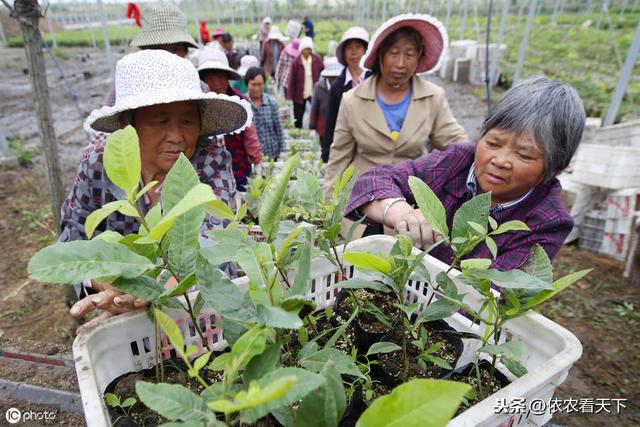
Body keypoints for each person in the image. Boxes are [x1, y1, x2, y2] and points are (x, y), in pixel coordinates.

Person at [65, 50, 251, 316]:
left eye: (187, 121)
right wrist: (103, 280)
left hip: (194, 310)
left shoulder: (210, 160)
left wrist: (152, 290)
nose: (176, 136)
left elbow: (215, 244)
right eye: (160, 121)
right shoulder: (98, 164)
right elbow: (74, 236)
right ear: (126, 124)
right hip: (115, 307)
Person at [345, 76, 586, 271]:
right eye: (493, 143)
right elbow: (375, 180)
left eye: (524, 155)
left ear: (556, 167)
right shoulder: (458, 161)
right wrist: (399, 211)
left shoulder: (547, 221)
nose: (500, 161)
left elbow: (493, 295)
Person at [324, 14, 468, 231]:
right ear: (380, 56)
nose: (401, 63)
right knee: (362, 259)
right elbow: (339, 157)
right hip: (365, 202)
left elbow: (457, 145)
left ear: (419, 58)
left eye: (409, 54)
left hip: (412, 203)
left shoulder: (433, 97)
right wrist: (328, 207)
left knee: (408, 258)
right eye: (394, 53)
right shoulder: (352, 100)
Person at [198, 47, 263, 191]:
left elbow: (250, 136)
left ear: (227, 78)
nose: (216, 83)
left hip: (238, 169)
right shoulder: (196, 104)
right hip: (205, 174)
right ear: (203, 79)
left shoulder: (240, 102)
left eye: (221, 77)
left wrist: (257, 162)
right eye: (210, 78)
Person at [324, 26, 370, 163]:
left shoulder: (376, 80)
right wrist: (327, 153)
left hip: (373, 148)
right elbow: (331, 122)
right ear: (343, 53)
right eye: (349, 48)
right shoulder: (337, 87)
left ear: (365, 51)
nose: (354, 53)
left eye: (358, 47)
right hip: (348, 150)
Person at [246, 67, 285, 160]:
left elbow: (278, 129)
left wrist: (282, 151)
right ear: (247, 84)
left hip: (272, 154)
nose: (257, 88)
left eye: (260, 84)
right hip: (251, 157)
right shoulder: (244, 104)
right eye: (253, 84)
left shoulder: (271, 103)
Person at [311, 57, 343, 162]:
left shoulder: (341, 86)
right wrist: (312, 125)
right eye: (331, 76)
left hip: (339, 124)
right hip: (323, 124)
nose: (333, 79)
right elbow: (314, 107)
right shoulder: (319, 87)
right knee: (326, 148)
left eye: (335, 76)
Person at [287, 36, 324, 129]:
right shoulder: (296, 62)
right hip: (299, 93)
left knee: (317, 112)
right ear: (301, 50)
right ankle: (298, 130)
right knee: (298, 115)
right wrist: (290, 94)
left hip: (313, 91)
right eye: (305, 49)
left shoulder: (317, 60)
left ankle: (315, 129)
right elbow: (292, 79)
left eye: (309, 49)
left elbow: (323, 73)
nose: (307, 51)